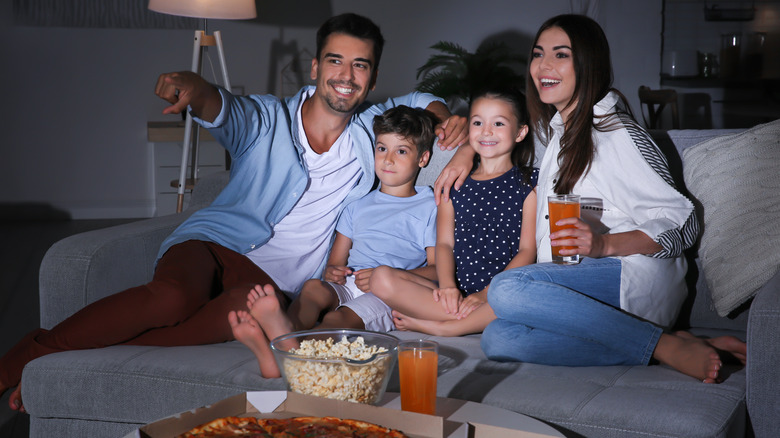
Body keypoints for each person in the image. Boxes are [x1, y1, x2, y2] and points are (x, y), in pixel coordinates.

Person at [0, 13, 468, 412]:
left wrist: (449, 122)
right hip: (213, 246)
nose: (346, 74)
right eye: (335, 60)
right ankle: (24, 357)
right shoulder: (268, 117)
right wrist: (196, 87)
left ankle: (57, 364)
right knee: (171, 300)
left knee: (208, 325)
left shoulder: (373, 130)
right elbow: (225, 107)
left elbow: (419, 101)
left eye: (359, 65)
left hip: (268, 287)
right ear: (315, 66)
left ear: (372, 77)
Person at [471, 14, 745, 383]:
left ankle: (663, 345)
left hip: (630, 278)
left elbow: (684, 221)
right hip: (585, 292)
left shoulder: (615, 132)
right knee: (500, 338)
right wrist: (463, 150)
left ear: (588, 63)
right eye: (538, 54)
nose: (544, 66)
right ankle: (668, 343)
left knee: (508, 287)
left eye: (561, 55)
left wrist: (602, 243)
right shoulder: (560, 133)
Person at [228, 105, 440, 377]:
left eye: (401, 151)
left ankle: (280, 354)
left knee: (335, 320)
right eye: (381, 148)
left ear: (423, 158)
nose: (387, 159)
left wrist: (388, 276)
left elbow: (436, 271)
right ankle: (281, 337)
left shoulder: (428, 205)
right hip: (350, 283)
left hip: (388, 295)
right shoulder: (357, 205)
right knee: (314, 288)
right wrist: (333, 271)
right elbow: (336, 263)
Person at [370, 87, 538, 337]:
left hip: (501, 291)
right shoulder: (453, 183)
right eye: (478, 122)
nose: (487, 131)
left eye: (499, 123)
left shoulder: (528, 184)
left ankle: (445, 327)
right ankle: (468, 318)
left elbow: (527, 251)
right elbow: (445, 244)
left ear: (520, 132)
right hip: (453, 293)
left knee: (524, 295)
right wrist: (448, 287)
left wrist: (485, 294)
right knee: (380, 277)